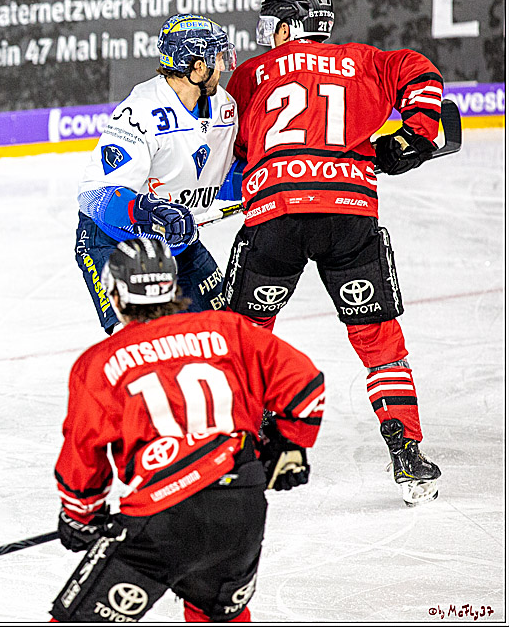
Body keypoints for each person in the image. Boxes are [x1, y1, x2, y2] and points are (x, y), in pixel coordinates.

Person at [223, 0, 443, 505]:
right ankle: (407, 452)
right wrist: (413, 134)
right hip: (349, 214)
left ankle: (239, 448)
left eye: (271, 24)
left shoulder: (252, 75)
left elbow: (231, 148)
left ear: (286, 25)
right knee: (378, 338)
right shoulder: (364, 60)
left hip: (276, 213)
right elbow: (421, 72)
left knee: (248, 332)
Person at [51, 237, 325, 623]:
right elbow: (306, 387)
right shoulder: (229, 330)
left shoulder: (102, 361)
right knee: (218, 618)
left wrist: (80, 515)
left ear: (113, 292)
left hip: (162, 515)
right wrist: (288, 446)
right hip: (241, 509)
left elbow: (84, 451)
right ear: (173, 285)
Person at [74, 13, 243, 336]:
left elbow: (224, 180)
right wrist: (148, 210)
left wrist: (268, 182)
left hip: (180, 245)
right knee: (145, 346)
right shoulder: (140, 112)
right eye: (216, 58)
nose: (221, 66)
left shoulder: (225, 107)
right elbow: (94, 195)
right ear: (196, 67)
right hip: (117, 243)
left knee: (226, 336)